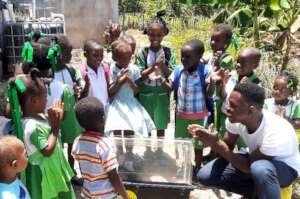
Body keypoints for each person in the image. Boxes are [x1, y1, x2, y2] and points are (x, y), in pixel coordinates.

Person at [189, 83, 300, 199]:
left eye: (233, 105)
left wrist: (217, 144)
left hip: (286, 168)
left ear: (250, 111)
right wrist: (210, 138)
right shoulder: (235, 119)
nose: (227, 108)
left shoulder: (275, 130)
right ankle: (255, 194)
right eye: (228, 103)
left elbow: (248, 166)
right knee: (205, 175)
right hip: (256, 159)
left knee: (259, 168)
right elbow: (226, 150)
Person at [10, 72, 75, 199]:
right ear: (33, 100)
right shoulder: (31, 127)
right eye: (45, 97)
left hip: (52, 170)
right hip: (43, 178)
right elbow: (47, 151)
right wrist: (55, 129)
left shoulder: (39, 118)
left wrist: (56, 120)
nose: (47, 100)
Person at [72, 97, 129, 199]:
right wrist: (126, 196)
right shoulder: (104, 145)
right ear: (102, 119)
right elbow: (113, 177)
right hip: (106, 195)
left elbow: (82, 166)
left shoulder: (78, 141)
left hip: (87, 192)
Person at [169, 39, 214, 169]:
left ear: (199, 57)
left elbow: (209, 93)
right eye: (182, 56)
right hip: (182, 116)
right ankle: (184, 167)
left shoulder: (205, 70)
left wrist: (213, 82)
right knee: (182, 143)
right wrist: (161, 80)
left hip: (199, 117)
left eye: (187, 56)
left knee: (197, 145)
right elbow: (170, 86)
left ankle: (197, 167)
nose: (183, 59)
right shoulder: (179, 70)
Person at [135, 11, 176, 138]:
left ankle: (159, 150)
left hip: (162, 94)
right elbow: (140, 75)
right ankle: (147, 150)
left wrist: (162, 65)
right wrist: (154, 66)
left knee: (161, 124)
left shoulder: (168, 52)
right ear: (148, 34)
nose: (155, 38)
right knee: (147, 123)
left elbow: (171, 74)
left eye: (159, 34)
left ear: (164, 34)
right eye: (152, 34)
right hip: (146, 93)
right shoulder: (143, 52)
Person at [105, 40, 156, 137]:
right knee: (117, 129)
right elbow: (111, 91)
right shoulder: (113, 68)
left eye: (129, 58)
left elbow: (137, 90)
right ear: (116, 58)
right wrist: (119, 81)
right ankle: (119, 151)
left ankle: (129, 151)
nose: (127, 61)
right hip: (118, 104)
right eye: (123, 59)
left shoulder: (134, 69)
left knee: (130, 128)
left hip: (131, 102)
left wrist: (129, 80)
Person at [80, 39, 110, 112]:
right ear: (85, 54)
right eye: (95, 55)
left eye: (101, 55)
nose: (99, 59)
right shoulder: (82, 72)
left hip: (106, 107)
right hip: (91, 112)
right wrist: (87, 84)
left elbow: (108, 88)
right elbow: (81, 98)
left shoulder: (104, 68)